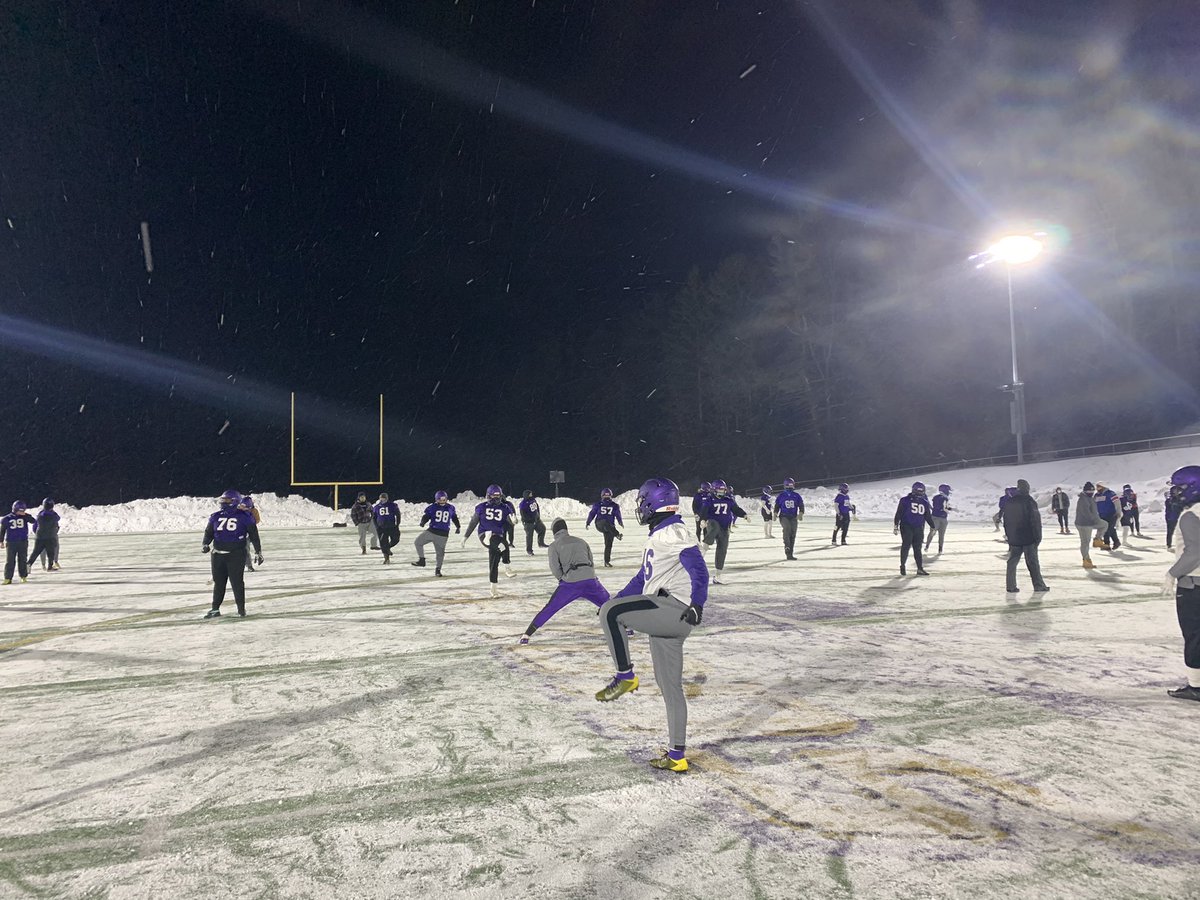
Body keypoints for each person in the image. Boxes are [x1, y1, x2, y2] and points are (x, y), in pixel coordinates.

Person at [594, 477, 708, 774]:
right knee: (671, 689)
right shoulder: (662, 532)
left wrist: (698, 603)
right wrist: (618, 598)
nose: (639, 507)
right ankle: (676, 755)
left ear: (652, 502)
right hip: (671, 617)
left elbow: (699, 568)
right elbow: (642, 579)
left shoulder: (672, 531)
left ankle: (625, 676)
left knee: (610, 613)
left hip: (672, 609)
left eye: (642, 501)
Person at [519, 519, 610, 643]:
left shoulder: (554, 546)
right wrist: (589, 576)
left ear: (554, 531)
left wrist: (562, 579)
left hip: (570, 583)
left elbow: (555, 568)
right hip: (590, 579)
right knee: (609, 604)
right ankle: (626, 626)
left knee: (550, 608)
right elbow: (591, 561)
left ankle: (527, 634)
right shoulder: (581, 541)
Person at [1165, 465, 1200, 701]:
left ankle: (1196, 685)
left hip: (1194, 584)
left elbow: (1195, 551)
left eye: (1179, 489)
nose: (1175, 494)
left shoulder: (1191, 515)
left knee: (1194, 635)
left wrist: (1173, 573)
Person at [201, 490, 263, 618]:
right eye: (223, 500)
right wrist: (206, 543)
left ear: (234, 501)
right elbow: (209, 532)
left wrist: (258, 551)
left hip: (236, 554)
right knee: (219, 582)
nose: (224, 502)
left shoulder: (244, 516)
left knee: (237, 582)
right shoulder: (216, 516)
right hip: (218, 554)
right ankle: (215, 609)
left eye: (227, 500)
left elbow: (254, 535)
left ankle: (241, 609)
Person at [462, 484, 517, 597]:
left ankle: (493, 588)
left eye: (498, 496)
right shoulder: (481, 507)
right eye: (494, 495)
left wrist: (514, 521)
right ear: (488, 495)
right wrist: (465, 537)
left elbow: (510, 523)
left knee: (494, 560)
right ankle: (507, 567)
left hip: (497, 535)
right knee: (503, 545)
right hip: (485, 534)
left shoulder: (504, 507)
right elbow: (473, 523)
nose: (496, 498)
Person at [1002, 479, 1048, 594]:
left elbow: (1006, 520)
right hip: (1029, 537)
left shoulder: (1010, 502)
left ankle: (1010, 586)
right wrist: (1038, 537)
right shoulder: (1029, 501)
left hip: (1015, 538)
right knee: (1032, 563)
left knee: (1012, 562)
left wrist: (1009, 535)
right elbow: (1035, 520)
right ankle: (1038, 585)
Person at [700, 479, 747, 584]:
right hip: (712, 522)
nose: (722, 492)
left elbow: (735, 509)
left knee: (722, 549)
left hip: (725, 527)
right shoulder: (709, 499)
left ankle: (718, 576)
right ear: (714, 490)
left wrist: (744, 514)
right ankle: (703, 549)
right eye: (719, 490)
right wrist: (703, 519)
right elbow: (704, 511)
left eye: (723, 490)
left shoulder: (728, 499)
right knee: (714, 528)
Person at [413, 490, 459, 575]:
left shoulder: (445, 507)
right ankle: (422, 560)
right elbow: (426, 516)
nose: (442, 501)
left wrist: (458, 526)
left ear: (446, 499)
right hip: (432, 531)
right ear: (436, 499)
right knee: (418, 542)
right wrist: (423, 522)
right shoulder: (446, 507)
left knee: (440, 553)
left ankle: (438, 569)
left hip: (442, 534)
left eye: (443, 499)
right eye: (440, 499)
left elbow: (454, 517)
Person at [893, 481, 933, 576]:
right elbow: (899, 513)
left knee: (917, 548)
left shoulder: (924, 502)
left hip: (918, 527)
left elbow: (927, 516)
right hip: (906, 526)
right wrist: (896, 525)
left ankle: (919, 568)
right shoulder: (905, 500)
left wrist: (932, 526)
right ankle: (902, 565)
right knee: (906, 546)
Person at [1, 501, 37, 584]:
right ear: (15, 509)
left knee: (22, 559)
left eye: (23, 511)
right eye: (20, 511)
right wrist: (1, 541)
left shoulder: (25, 517)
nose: (21, 512)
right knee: (10, 560)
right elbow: (2, 530)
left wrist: (26, 515)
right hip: (11, 542)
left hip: (23, 541)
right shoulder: (7, 518)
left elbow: (33, 521)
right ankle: (8, 578)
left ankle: (23, 576)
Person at [586, 488, 624, 568]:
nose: (607, 497)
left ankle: (607, 562)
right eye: (605, 495)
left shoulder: (615, 505)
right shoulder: (598, 504)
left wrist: (620, 522)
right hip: (600, 524)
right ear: (602, 495)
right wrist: (588, 522)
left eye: (608, 495)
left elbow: (618, 515)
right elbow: (592, 513)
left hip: (610, 527)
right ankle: (617, 534)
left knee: (608, 545)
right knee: (605, 522)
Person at [1074, 481, 1104, 570]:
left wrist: (1096, 519)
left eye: (1092, 492)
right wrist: (1093, 520)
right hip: (1083, 524)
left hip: (1091, 522)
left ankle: (1097, 539)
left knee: (1104, 524)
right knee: (1085, 542)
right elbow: (1086, 513)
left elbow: (1093, 510)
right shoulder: (1083, 500)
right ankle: (1086, 560)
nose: (1091, 493)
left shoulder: (1090, 498)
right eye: (1089, 492)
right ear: (1085, 491)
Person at [774, 477, 805, 560]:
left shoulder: (796, 495)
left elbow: (801, 505)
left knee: (793, 534)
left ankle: (790, 553)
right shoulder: (781, 495)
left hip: (793, 516)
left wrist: (801, 513)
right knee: (787, 528)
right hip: (784, 516)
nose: (790, 487)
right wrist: (775, 513)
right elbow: (777, 506)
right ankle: (787, 547)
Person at [27, 498, 61, 572]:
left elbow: (35, 526)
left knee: (36, 552)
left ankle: (29, 564)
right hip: (50, 536)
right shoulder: (53, 515)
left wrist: (36, 533)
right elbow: (58, 518)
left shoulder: (40, 514)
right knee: (51, 552)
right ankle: (50, 566)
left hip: (40, 536)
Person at [372, 492, 402, 564]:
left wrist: (397, 524)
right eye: (381, 498)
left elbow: (398, 515)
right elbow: (374, 518)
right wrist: (377, 526)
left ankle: (387, 548)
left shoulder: (392, 505)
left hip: (391, 526)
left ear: (387, 499)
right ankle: (386, 559)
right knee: (383, 543)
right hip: (381, 528)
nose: (382, 500)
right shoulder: (376, 507)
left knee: (396, 539)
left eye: (384, 498)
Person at [924, 483, 953, 554]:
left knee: (932, 532)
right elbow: (946, 508)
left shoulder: (936, 497)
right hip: (942, 518)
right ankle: (940, 549)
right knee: (941, 535)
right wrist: (951, 509)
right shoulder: (945, 498)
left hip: (934, 517)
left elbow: (936, 506)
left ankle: (927, 546)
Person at [518, 490, 548, 555]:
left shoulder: (533, 500)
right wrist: (528, 520)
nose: (531, 495)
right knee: (529, 536)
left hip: (536, 520)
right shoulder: (523, 503)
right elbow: (523, 514)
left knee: (542, 529)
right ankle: (529, 550)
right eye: (530, 494)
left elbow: (537, 507)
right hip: (528, 522)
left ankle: (541, 543)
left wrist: (538, 515)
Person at [1094, 482, 1121, 550]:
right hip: (1102, 515)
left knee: (1107, 529)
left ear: (1103, 486)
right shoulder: (1096, 495)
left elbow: (1117, 503)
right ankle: (1116, 542)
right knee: (1110, 529)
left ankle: (1107, 544)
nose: (1097, 488)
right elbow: (1094, 505)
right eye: (1097, 487)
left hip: (1111, 514)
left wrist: (1118, 512)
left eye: (1099, 487)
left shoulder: (1110, 494)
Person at [240, 494, 262, 572]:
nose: (242, 508)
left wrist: (250, 522)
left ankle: (249, 565)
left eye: (244, 507)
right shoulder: (238, 511)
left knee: (246, 549)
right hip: (239, 533)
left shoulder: (254, 511)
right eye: (241, 506)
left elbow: (257, 520)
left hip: (248, 532)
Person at [1166, 484, 1185, 550]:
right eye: (1177, 491)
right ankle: (1169, 545)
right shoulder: (1169, 500)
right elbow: (1168, 509)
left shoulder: (1180, 499)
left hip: (1179, 517)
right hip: (1172, 518)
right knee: (1170, 532)